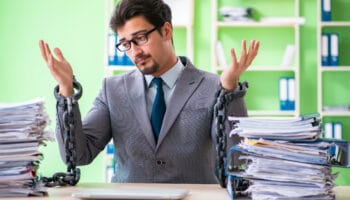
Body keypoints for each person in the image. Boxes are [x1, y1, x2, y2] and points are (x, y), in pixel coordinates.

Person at [39, 0, 259, 184]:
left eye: (141, 38)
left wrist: (229, 88)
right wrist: (66, 90)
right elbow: (79, 154)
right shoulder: (112, 90)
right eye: (126, 44)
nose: (135, 52)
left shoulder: (213, 86)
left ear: (166, 31)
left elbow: (236, 156)